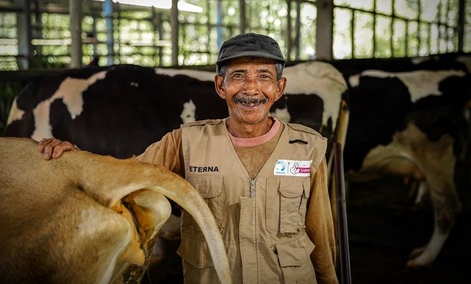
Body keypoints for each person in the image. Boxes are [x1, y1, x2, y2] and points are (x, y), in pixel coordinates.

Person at [39, 33, 338, 284]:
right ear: (221, 86)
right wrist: (76, 157)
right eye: (238, 77)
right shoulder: (186, 141)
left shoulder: (306, 147)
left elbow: (320, 233)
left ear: (279, 88)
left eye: (264, 77)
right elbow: (125, 174)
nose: (251, 88)